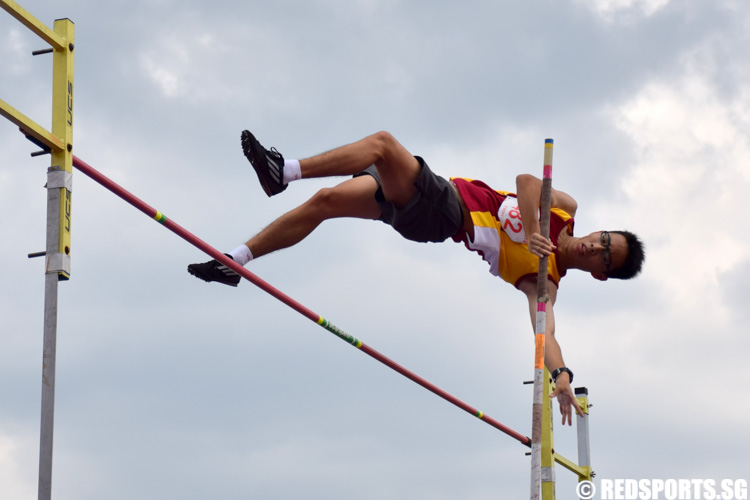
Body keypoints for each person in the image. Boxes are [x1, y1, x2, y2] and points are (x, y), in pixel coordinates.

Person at [188, 130, 645, 424]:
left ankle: (283, 172)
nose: (597, 247)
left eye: (606, 257)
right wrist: (537, 230)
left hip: (445, 212)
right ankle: (236, 262)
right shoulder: (565, 211)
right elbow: (527, 181)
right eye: (605, 239)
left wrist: (561, 374)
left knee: (384, 145)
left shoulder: (543, 279)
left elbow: (543, 329)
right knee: (325, 201)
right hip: (438, 197)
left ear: (601, 275)